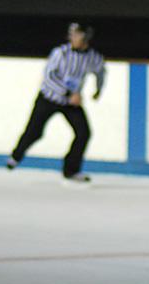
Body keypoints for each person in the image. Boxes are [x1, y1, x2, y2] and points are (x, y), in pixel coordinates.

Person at [6, 22, 106, 182]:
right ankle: (16, 156)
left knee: (83, 133)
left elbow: (101, 71)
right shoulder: (60, 53)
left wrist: (98, 90)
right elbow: (49, 77)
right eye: (72, 34)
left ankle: (71, 171)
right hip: (49, 98)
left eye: (77, 34)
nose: (72, 37)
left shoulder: (92, 58)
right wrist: (69, 93)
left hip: (71, 104)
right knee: (34, 131)